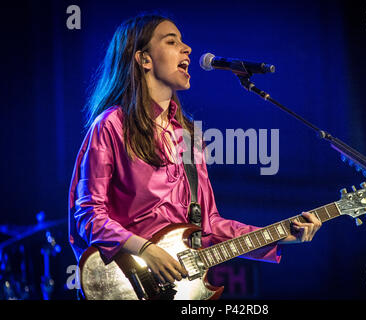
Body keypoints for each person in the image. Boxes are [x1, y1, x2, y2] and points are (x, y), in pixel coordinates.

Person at [68, 13, 322, 288]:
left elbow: (209, 225)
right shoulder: (111, 125)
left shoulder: (189, 137)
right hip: (126, 282)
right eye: (171, 41)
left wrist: (281, 235)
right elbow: (89, 214)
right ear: (144, 59)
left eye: (183, 41)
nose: (187, 48)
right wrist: (144, 249)